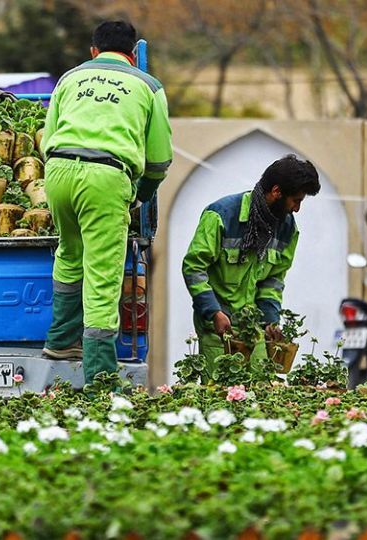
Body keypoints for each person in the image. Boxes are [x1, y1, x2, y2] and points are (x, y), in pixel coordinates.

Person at [39, 21, 173, 384]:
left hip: (58, 172)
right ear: (132, 55)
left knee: (69, 253)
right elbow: (159, 160)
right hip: (107, 177)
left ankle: (61, 341)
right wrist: (141, 195)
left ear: (94, 52)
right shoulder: (148, 86)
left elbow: (47, 138)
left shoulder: (69, 79)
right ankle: (99, 377)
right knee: (103, 271)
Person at [182, 155, 320, 361]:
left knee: (260, 389)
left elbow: (273, 281)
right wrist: (214, 312)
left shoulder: (287, 228)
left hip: (254, 330)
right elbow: (194, 268)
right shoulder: (221, 215)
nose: (297, 209)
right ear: (276, 192)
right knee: (220, 391)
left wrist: (271, 322)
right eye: (296, 200)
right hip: (218, 327)